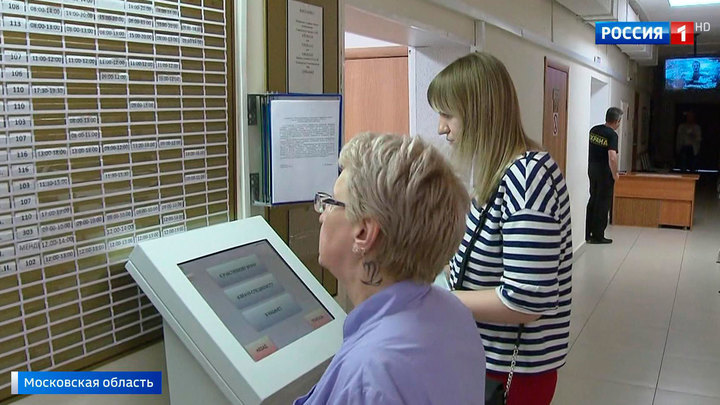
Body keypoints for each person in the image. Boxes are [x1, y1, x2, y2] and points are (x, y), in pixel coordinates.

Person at [294, 133, 486, 404]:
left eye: (332, 203)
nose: (322, 214)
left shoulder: (368, 376)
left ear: (364, 233)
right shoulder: (452, 312)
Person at [427, 52, 573, 405]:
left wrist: (435, 300)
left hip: (512, 377)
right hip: (482, 364)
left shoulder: (527, 178)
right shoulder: (495, 174)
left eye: (448, 115)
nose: (441, 128)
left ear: (479, 112)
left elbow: (526, 301)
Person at [586, 107, 622, 244]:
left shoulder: (594, 130)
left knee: (593, 199)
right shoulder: (612, 135)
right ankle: (598, 235)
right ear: (617, 121)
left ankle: (587, 232)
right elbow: (612, 157)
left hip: (592, 169)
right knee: (603, 203)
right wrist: (615, 174)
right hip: (604, 172)